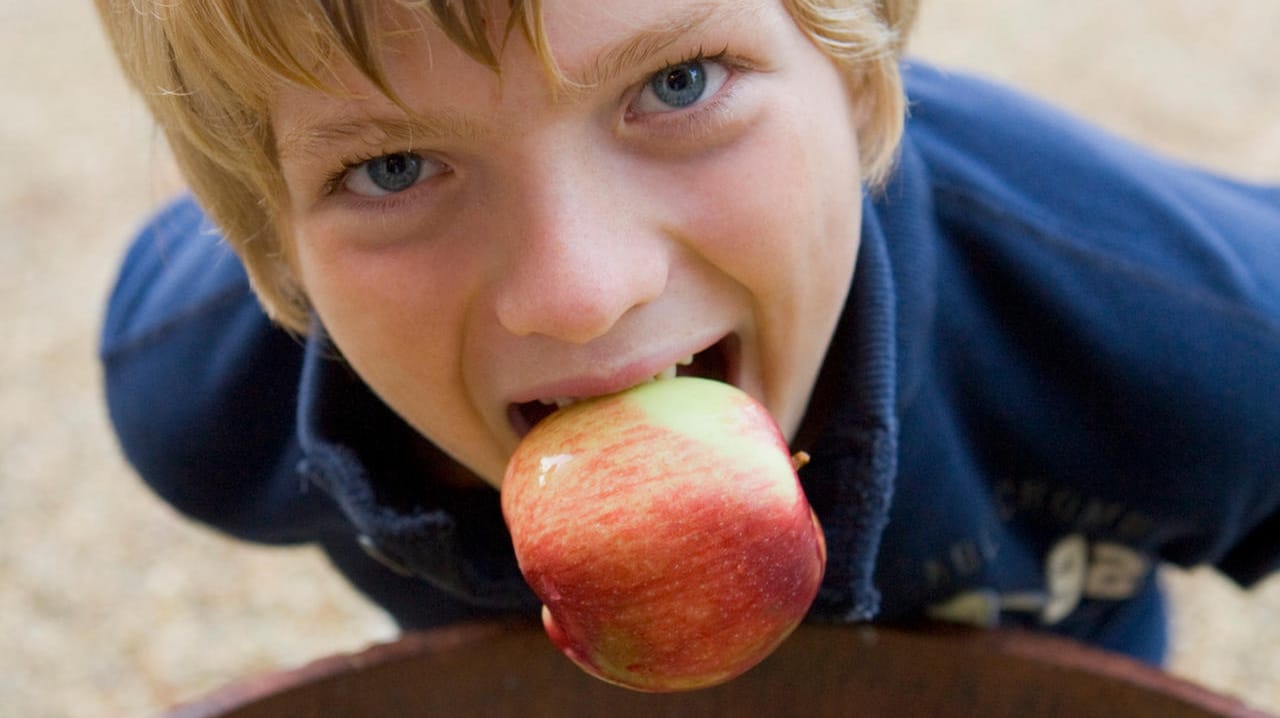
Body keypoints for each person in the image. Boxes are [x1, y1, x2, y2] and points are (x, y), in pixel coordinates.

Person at [95, 0, 1280, 667]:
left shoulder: (1175, 337)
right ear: (273, 254)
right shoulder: (204, 406)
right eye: (392, 166)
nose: (578, 293)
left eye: (676, 85)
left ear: (858, 78)